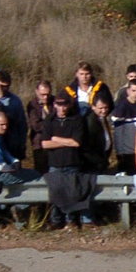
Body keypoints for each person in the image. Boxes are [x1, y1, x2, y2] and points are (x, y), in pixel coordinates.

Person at [39, 95, 96, 231]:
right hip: (55, 163)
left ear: (69, 105)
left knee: (72, 193)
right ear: (54, 105)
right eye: (59, 104)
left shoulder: (76, 120)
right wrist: (66, 141)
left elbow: (76, 142)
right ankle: (55, 221)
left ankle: (71, 221)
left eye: (65, 105)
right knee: (55, 194)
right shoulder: (49, 120)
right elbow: (45, 144)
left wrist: (56, 139)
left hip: (72, 162)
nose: (62, 108)